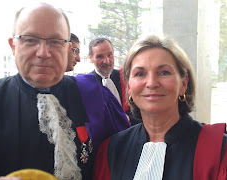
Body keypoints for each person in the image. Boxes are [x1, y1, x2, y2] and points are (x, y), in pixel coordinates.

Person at [0, 3, 130, 180]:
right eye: (30, 40)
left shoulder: (96, 95)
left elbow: (127, 154)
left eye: (55, 41)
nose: (43, 53)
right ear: (13, 46)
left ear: (67, 49)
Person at [93, 35, 227, 180]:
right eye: (140, 74)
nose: (151, 83)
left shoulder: (218, 149)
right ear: (129, 87)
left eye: (164, 72)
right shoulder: (112, 149)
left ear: (184, 83)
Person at [88, 37, 141, 125]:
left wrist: (128, 119)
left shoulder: (126, 77)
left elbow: (140, 110)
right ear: (90, 58)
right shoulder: (86, 84)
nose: (106, 61)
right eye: (100, 56)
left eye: (110, 55)